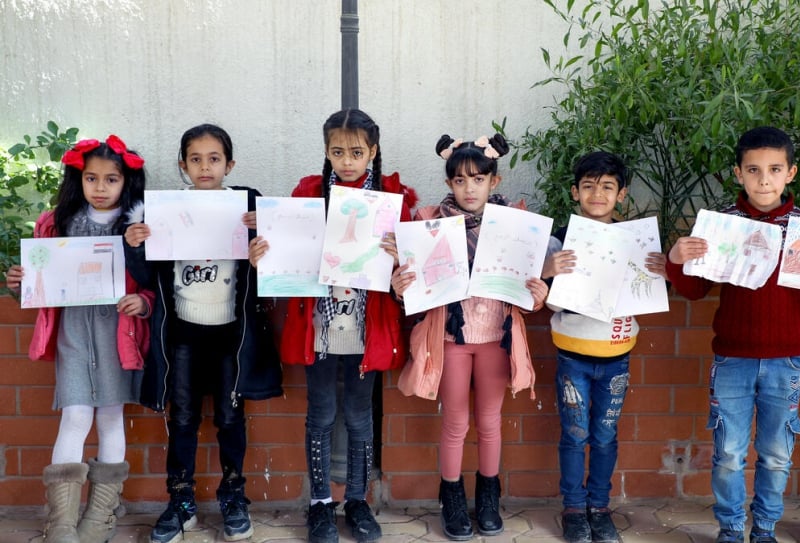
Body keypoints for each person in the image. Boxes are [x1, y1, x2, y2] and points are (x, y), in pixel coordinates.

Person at [248, 109, 417, 543]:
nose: (347, 160)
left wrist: (402, 258)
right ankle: (321, 503)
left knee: (360, 417)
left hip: (367, 328)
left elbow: (413, 271)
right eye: (337, 151)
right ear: (326, 150)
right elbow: (285, 253)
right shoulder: (307, 195)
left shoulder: (391, 198)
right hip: (319, 330)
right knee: (321, 414)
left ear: (373, 152)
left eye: (357, 152)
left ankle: (357, 501)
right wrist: (264, 250)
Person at [124, 124, 283, 543]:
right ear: (183, 166)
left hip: (231, 332)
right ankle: (180, 501)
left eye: (214, 159)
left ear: (229, 164)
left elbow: (274, 269)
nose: (205, 166)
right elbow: (145, 274)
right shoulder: (163, 210)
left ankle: (233, 495)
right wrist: (136, 244)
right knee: (184, 419)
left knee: (231, 417)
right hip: (183, 333)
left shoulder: (249, 205)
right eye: (195, 159)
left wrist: (261, 246)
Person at [391, 134, 549, 541]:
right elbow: (413, 287)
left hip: (496, 335)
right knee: (456, 422)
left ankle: (489, 498)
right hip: (451, 338)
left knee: (491, 422)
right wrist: (401, 282)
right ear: (449, 184)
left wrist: (538, 292)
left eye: (478, 179)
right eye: (459, 181)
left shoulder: (514, 225)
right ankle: (453, 499)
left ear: (493, 182)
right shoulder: (431, 224)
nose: (469, 188)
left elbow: (528, 286)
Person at [665, 127, 800, 543]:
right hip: (732, 358)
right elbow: (694, 289)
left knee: (776, 453)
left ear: (791, 173)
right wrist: (677, 258)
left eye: (774, 169)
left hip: (786, 360)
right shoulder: (722, 223)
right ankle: (731, 527)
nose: (764, 179)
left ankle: (764, 528)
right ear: (738, 173)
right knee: (728, 453)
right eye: (753, 169)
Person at [4, 135, 151, 543]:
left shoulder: (137, 226)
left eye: (111, 179)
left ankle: (100, 516)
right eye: (91, 178)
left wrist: (143, 300)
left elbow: (154, 282)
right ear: (78, 179)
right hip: (73, 334)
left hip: (118, 335)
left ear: (126, 183)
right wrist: (21, 283)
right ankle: (62, 521)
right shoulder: (56, 223)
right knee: (75, 416)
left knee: (109, 416)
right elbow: (40, 286)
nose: (100, 188)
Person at [540, 151, 667, 543]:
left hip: (616, 356)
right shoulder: (560, 239)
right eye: (589, 186)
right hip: (573, 355)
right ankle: (575, 509)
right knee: (575, 434)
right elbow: (547, 300)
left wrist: (660, 270)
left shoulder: (635, 242)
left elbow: (647, 292)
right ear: (575, 192)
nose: (598, 194)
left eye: (608, 186)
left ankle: (600, 506)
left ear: (622, 194)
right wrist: (550, 271)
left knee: (606, 435)